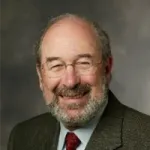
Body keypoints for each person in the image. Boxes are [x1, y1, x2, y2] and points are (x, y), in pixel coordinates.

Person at [7, 13, 150, 150]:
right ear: (40, 76)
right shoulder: (22, 137)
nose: (70, 82)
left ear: (107, 69)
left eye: (84, 63)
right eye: (56, 66)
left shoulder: (145, 139)